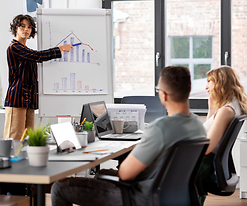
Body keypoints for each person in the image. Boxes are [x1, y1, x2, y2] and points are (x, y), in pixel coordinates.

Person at [51, 66, 207, 206]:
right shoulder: (197, 126)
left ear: (164, 95)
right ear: (188, 91)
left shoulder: (161, 128)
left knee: (59, 187)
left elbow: (125, 174)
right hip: (172, 195)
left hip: (141, 197)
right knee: (101, 174)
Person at [3, 14, 73, 140]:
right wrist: (60, 49)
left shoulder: (25, 49)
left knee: (28, 139)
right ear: (15, 29)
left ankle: (25, 160)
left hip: (28, 100)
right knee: (14, 140)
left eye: (29, 27)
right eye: (23, 26)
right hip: (16, 99)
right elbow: (38, 56)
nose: (26, 29)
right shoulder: (14, 47)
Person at [199, 66, 247, 201]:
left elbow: (207, 147)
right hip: (204, 162)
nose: (206, 86)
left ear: (221, 82)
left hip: (202, 163)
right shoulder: (233, 105)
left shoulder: (226, 110)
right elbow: (209, 131)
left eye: (209, 81)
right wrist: (211, 108)